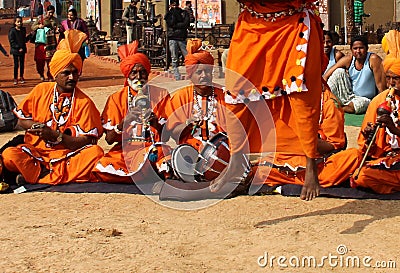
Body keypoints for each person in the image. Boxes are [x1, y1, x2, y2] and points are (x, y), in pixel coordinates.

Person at [210, 0, 327, 201]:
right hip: (253, 24)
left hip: (293, 24)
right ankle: (237, 161)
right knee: (235, 91)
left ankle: (310, 164)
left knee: (301, 96)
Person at [1, 30, 104, 185]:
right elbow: (22, 120)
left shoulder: (84, 102)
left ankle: (38, 177)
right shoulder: (41, 90)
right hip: (37, 154)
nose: (72, 77)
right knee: (10, 155)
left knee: (95, 154)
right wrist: (38, 128)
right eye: (66, 73)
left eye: (75, 73)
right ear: (55, 74)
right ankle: (44, 174)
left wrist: (57, 136)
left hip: (68, 156)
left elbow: (87, 142)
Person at [252, 84, 360, 190]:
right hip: (277, 162)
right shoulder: (278, 93)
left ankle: (298, 178)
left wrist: (307, 139)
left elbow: (334, 145)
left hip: (316, 165)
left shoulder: (328, 102)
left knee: (354, 156)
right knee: (250, 168)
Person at [90, 41, 170, 183]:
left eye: (142, 72)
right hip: (126, 151)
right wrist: (124, 123)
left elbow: (168, 136)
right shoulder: (116, 99)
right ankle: (144, 176)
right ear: (127, 74)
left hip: (152, 149)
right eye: (134, 72)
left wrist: (156, 123)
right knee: (102, 167)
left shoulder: (161, 95)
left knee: (167, 161)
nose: (138, 77)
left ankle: (143, 175)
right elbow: (109, 140)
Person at [350, 30, 400, 193]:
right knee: (361, 175)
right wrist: (368, 134)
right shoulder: (378, 101)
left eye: (396, 78)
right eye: (388, 78)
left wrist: (394, 130)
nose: (391, 83)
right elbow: (364, 148)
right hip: (388, 159)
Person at [165, 39, 226, 151]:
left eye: (207, 71)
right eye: (198, 72)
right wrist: (187, 124)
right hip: (190, 153)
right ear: (190, 75)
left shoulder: (224, 95)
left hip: (222, 152)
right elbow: (173, 134)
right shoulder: (180, 97)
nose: (204, 76)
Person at [324, 35, 386, 114]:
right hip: (351, 96)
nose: (358, 51)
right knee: (338, 72)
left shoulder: (373, 59)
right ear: (351, 50)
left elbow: (381, 86)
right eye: (355, 48)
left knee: (357, 106)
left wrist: (382, 104)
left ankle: (337, 107)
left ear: (367, 48)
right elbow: (327, 75)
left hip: (366, 99)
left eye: (361, 48)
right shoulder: (349, 59)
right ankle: (328, 102)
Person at [31, 4, 59, 82]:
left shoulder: (55, 20)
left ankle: (50, 75)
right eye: (49, 12)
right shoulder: (40, 18)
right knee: (40, 61)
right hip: (41, 42)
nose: (51, 14)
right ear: (46, 11)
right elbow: (33, 27)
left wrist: (58, 29)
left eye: (52, 13)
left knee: (50, 61)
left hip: (51, 43)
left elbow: (58, 27)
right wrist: (38, 26)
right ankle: (41, 74)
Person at [164, 0, 190, 80]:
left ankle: (191, 73)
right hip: (172, 38)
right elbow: (170, 23)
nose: (175, 6)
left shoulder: (183, 13)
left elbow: (186, 23)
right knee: (174, 58)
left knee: (188, 57)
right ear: (171, 5)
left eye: (176, 5)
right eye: (173, 5)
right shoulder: (169, 14)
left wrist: (176, 25)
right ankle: (176, 75)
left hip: (181, 37)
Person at [8, 16, 28, 85]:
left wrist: (31, 35)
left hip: (22, 49)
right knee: (16, 64)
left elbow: (24, 40)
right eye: (18, 22)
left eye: (20, 21)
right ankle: (15, 78)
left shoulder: (23, 30)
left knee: (22, 64)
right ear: (15, 23)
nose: (19, 23)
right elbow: (12, 41)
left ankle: (21, 76)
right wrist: (18, 47)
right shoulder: (12, 31)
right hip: (15, 50)